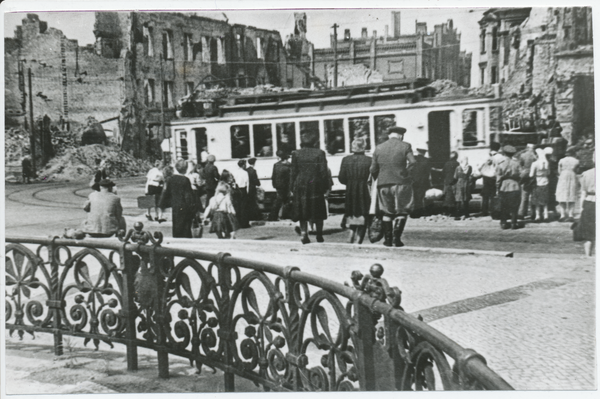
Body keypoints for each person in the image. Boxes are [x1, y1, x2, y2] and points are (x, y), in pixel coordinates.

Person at [370, 126, 416, 247]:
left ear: (389, 135)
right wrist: (406, 174)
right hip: (401, 183)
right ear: (400, 136)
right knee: (402, 210)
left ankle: (388, 240)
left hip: (383, 184)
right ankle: (397, 239)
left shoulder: (379, 148)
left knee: (387, 212)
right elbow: (413, 162)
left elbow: (373, 169)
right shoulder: (405, 146)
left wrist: (380, 178)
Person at [290, 128, 329, 244]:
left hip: (300, 184)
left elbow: (293, 172)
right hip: (315, 184)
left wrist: (291, 187)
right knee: (318, 210)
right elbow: (323, 172)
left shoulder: (296, 153)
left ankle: (304, 234)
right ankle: (319, 234)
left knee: (302, 210)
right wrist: (325, 187)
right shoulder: (320, 153)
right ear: (314, 141)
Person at [339, 138, 372, 244]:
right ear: (364, 147)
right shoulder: (369, 160)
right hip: (364, 188)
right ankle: (358, 240)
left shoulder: (346, 159)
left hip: (351, 189)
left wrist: (350, 182)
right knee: (363, 211)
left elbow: (341, 178)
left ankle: (351, 235)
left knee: (352, 212)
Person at [159, 159, 196, 238]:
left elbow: (165, 192)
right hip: (185, 206)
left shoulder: (170, 179)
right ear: (185, 168)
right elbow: (188, 196)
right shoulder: (185, 180)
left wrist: (162, 205)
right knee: (186, 228)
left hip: (175, 205)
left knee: (177, 226)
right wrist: (193, 208)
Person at [496, 145, 522, 230]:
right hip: (515, 186)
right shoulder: (516, 163)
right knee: (514, 205)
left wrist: (497, 187)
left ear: (504, 153)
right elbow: (521, 175)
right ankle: (513, 223)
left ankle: (503, 223)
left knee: (504, 205)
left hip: (504, 186)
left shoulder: (501, 163)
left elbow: (498, 177)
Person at [556, 147, 580, 222]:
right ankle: (570, 214)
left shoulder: (561, 160)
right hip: (572, 176)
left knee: (562, 194)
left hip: (563, 176)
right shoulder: (576, 161)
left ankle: (562, 215)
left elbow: (559, 171)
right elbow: (577, 171)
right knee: (572, 193)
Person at [479, 142, 502, 216]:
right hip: (494, 177)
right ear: (498, 148)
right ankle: (493, 211)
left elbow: (479, 167)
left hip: (486, 177)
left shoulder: (485, 155)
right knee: (493, 195)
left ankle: (484, 211)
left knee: (485, 195)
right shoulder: (500, 157)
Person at [268, 151, 292, 221]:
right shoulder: (288, 165)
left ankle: (274, 216)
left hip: (278, 185)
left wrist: (274, 184)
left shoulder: (276, 165)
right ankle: (284, 215)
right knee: (285, 200)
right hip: (286, 186)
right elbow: (290, 177)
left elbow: (273, 176)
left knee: (279, 200)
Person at [579, 154, 595, 256]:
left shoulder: (586, 174)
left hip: (589, 202)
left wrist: (581, 208)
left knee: (589, 230)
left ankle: (587, 254)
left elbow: (583, 192)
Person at [530, 148, 551, 222]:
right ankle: (546, 215)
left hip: (537, 182)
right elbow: (548, 173)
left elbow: (531, 175)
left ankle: (538, 216)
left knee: (536, 200)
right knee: (545, 200)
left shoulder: (535, 163)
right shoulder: (547, 163)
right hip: (545, 181)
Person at [410, 148, 431, 218]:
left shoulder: (414, 159)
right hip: (422, 182)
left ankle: (413, 212)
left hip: (413, 181)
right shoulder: (426, 160)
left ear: (418, 152)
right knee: (421, 197)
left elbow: (409, 169)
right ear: (424, 153)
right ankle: (419, 212)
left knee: (414, 196)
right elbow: (428, 172)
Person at [518, 143, 537, 219]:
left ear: (527, 147)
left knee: (524, 195)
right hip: (534, 176)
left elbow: (520, 165)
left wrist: (523, 171)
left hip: (525, 175)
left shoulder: (523, 155)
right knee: (533, 195)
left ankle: (522, 212)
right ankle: (534, 213)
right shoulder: (535, 156)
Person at [438, 152, 459, 216]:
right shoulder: (457, 163)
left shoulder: (447, 163)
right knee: (452, 197)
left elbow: (443, 172)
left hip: (447, 182)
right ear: (456, 157)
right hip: (454, 182)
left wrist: (442, 179)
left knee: (446, 196)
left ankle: (445, 212)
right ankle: (452, 212)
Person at [231, 159, 251, 228]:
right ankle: (244, 223)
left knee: (237, 206)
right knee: (244, 207)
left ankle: (237, 223)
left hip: (236, 190)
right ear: (243, 165)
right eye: (245, 164)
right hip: (243, 190)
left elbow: (232, 182)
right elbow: (247, 183)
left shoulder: (234, 172)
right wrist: (247, 192)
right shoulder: (245, 173)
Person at [453, 155, 472, 220]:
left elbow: (455, 177)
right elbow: (469, 175)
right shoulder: (469, 167)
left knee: (458, 199)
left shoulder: (458, 168)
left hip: (459, 183)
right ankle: (466, 213)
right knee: (466, 198)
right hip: (466, 183)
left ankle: (457, 215)